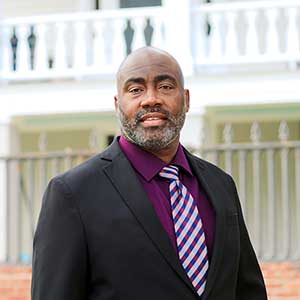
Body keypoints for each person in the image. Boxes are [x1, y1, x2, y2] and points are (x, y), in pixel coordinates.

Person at [31, 47, 267, 300]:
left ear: (186, 100)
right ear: (117, 104)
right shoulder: (73, 193)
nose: (151, 99)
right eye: (135, 90)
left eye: (165, 86)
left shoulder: (220, 184)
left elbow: (247, 290)